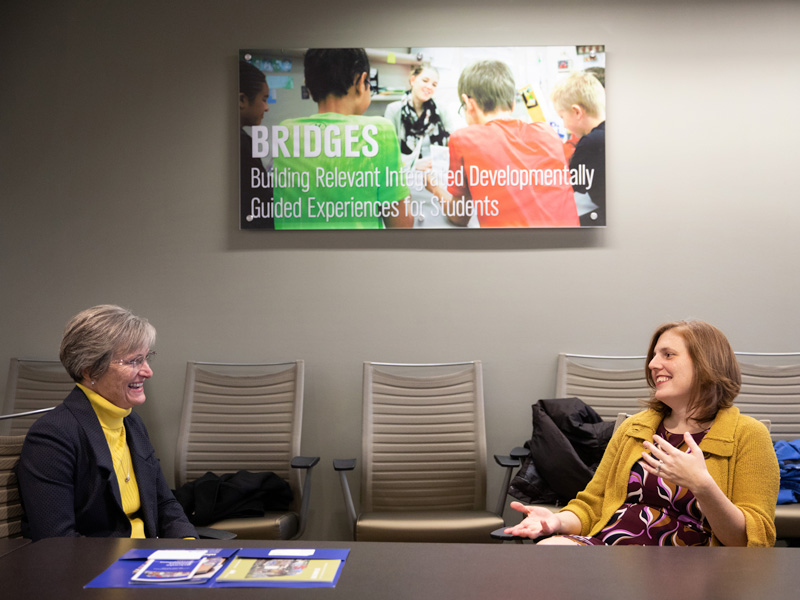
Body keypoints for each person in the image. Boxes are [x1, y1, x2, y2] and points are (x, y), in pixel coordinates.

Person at [505, 320, 779, 546]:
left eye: (668, 355)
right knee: (547, 550)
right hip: (609, 550)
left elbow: (753, 542)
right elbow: (593, 505)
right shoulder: (634, 428)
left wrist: (702, 485)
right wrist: (555, 521)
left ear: (706, 363)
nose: (652, 364)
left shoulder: (748, 435)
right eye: (654, 356)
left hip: (692, 566)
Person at [17, 305, 198, 540]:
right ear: (91, 370)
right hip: (99, 571)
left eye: (146, 358)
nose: (148, 371)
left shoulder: (131, 422)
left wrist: (189, 548)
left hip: (151, 562)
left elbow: (164, 504)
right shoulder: (52, 436)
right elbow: (57, 542)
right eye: (134, 361)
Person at [424, 59, 578, 228]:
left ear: (468, 103)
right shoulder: (547, 132)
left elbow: (459, 215)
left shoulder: (464, 138)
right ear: (512, 104)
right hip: (571, 246)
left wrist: (434, 187)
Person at [272, 48, 412, 229]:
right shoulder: (378, 131)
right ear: (361, 82)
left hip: (292, 255)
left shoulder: (286, 133)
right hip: (356, 255)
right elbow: (401, 226)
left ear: (309, 86)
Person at [550, 70, 606, 226]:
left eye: (562, 117)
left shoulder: (590, 143)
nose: (564, 125)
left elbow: (570, 186)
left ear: (577, 112)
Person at [384, 65, 456, 159]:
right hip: (405, 170)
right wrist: (416, 164)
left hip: (435, 169)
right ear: (412, 80)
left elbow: (452, 144)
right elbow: (389, 152)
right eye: (425, 81)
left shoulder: (441, 110)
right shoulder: (393, 110)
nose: (429, 87)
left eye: (434, 84)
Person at [239, 59, 273, 229]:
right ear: (242, 100)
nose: (267, 108)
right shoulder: (243, 146)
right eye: (264, 99)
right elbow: (262, 201)